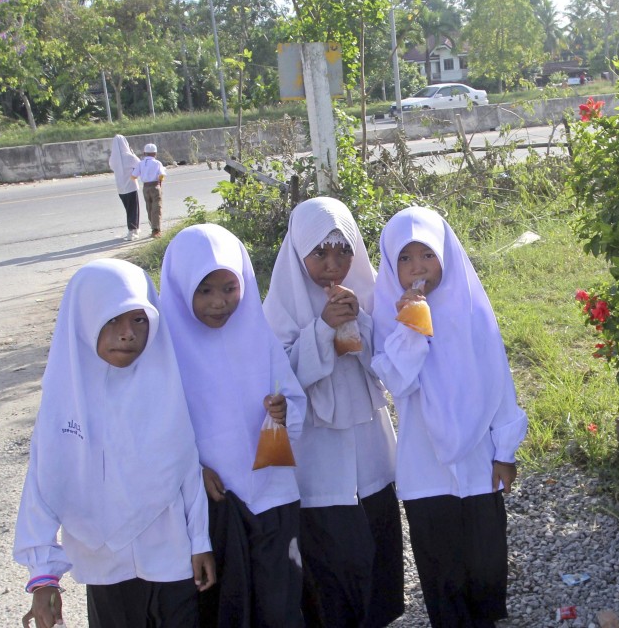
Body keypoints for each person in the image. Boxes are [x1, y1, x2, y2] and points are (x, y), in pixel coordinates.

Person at [13, 258, 215, 628]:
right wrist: (43, 577)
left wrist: (200, 540)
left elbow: (185, 467)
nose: (128, 334)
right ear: (84, 320)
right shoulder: (65, 402)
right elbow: (43, 486)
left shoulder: (164, 388)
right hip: (104, 563)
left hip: (170, 553)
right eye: (111, 321)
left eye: (139, 320)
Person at [371, 206, 528, 627]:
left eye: (427, 255)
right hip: (426, 465)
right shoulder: (388, 313)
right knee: (441, 566)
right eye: (405, 258)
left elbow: (498, 381)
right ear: (390, 264)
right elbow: (397, 382)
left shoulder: (472, 307)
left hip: (479, 457)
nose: (417, 267)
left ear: (445, 254)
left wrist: (505, 450)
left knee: (486, 560)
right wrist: (411, 326)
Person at [158, 223, 308, 627]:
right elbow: (158, 431)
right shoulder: (163, 352)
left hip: (274, 494)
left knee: (280, 606)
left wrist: (283, 411)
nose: (220, 302)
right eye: (204, 290)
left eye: (230, 287)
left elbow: (294, 398)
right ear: (179, 288)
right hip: (216, 506)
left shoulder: (257, 334)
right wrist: (193, 470)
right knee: (230, 608)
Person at [263, 197, 403, 628]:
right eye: (319, 252)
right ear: (298, 253)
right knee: (330, 557)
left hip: (368, 443)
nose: (333, 263)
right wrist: (322, 329)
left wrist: (357, 320)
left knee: (374, 544)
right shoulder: (280, 306)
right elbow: (277, 377)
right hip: (318, 454)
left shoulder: (367, 291)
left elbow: (385, 362)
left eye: (344, 250)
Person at [108, 135, 141, 240]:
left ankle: (133, 228)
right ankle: (133, 230)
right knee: (134, 209)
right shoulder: (129, 157)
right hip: (131, 186)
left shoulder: (113, 159)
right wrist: (132, 152)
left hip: (121, 189)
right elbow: (139, 165)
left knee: (128, 209)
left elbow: (112, 167)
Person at [132, 143, 166, 238]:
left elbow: (134, 176)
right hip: (155, 186)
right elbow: (162, 175)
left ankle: (153, 227)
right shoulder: (157, 163)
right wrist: (160, 182)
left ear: (144, 153)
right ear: (155, 154)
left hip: (145, 187)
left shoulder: (140, 163)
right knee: (157, 208)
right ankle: (156, 230)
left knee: (149, 208)